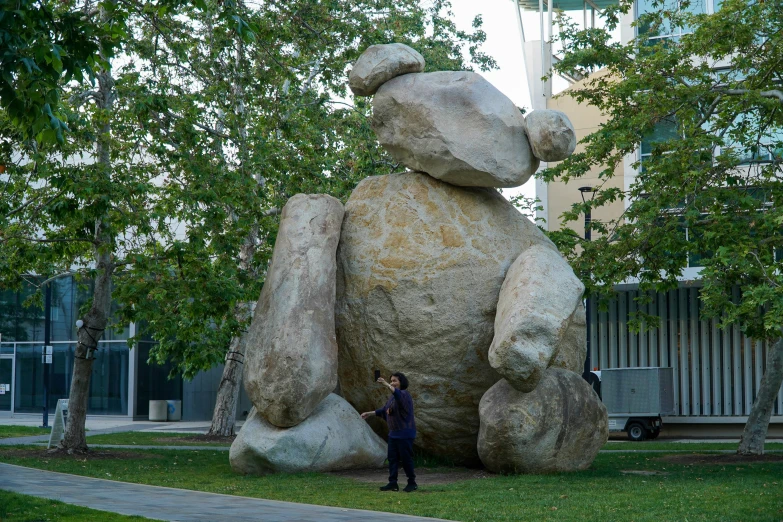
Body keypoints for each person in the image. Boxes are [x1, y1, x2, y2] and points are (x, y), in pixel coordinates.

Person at [361, 372, 417, 492]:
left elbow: (398, 394)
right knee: (392, 458)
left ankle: (412, 482)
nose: (392, 383)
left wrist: (386, 384)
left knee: (406, 458)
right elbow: (385, 410)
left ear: (401, 382)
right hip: (394, 434)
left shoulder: (404, 395)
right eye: (391, 381)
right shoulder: (392, 398)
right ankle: (393, 483)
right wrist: (369, 414)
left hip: (405, 433)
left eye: (395, 381)